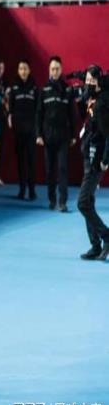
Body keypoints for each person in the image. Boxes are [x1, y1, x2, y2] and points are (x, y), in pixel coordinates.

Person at [36, 56, 76, 212]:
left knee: (62, 168)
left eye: (57, 69)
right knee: (50, 170)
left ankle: (62, 202)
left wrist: (73, 135)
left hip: (63, 136)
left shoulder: (67, 90)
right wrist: (39, 135)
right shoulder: (44, 90)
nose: (55, 71)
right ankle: (52, 199)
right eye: (52, 69)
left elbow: (72, 114)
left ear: (61, 70)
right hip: (47, 136)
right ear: (49, 70)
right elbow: (39, 114)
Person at [77, 65, 109, 260]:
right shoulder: (92, 98)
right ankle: (95, 245)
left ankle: (106, 236)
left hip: (97, 159)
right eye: (86, 80)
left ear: (98, 82)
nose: (87, 83)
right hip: (88, 155)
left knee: (82, 202)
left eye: (91, 81)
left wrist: (105, 159)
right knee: (88, 200)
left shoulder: (102, 103)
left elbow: (108, 133)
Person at [8, 60, 38, 200]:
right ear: (18, 71)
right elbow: (11, 109)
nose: (23, 71)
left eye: (25, 68)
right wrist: (11, 120)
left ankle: (32, 190)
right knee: (21, 161)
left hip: (31, 130)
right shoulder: (14, 87)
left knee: (31, 161)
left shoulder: (34, 87)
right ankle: (22, 189)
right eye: (21, 69)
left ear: (29, 70)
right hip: (19, 130)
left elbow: (38, 109)